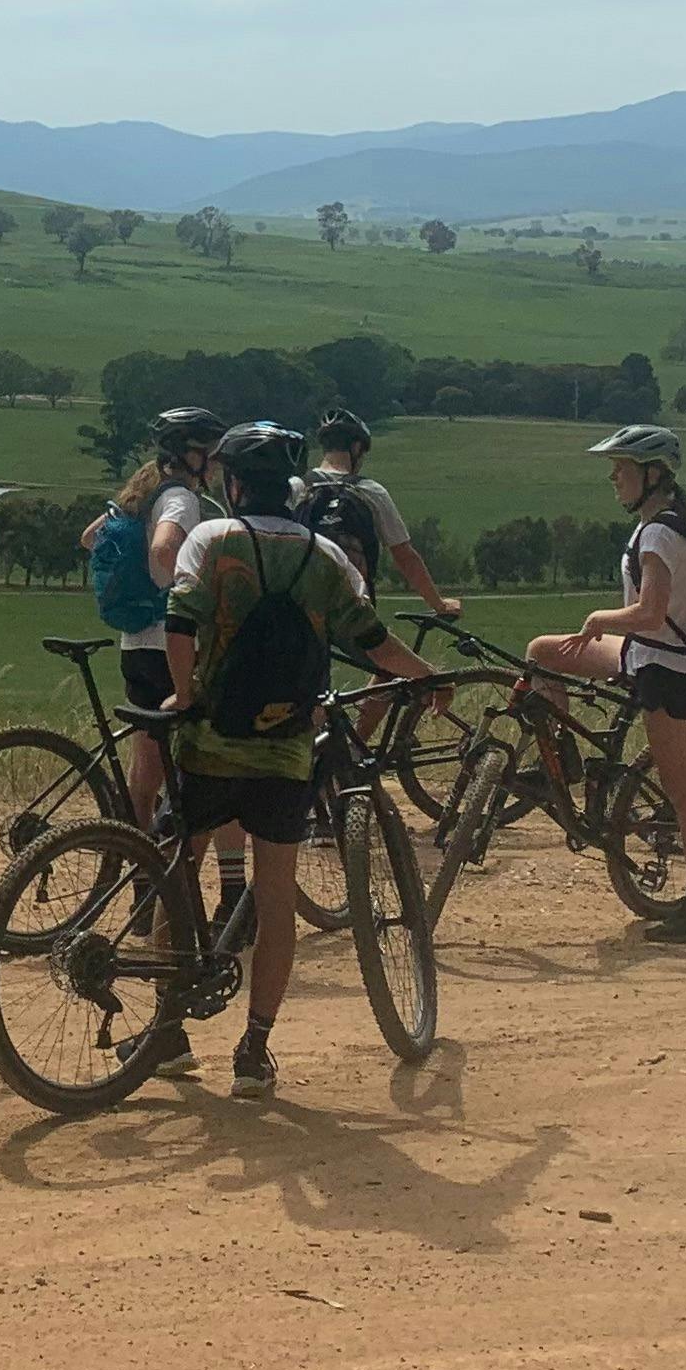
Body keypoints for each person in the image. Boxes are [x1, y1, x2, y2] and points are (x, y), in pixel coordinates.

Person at [158, 421, 405, 1094]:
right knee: (273, 901)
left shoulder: (211, 541)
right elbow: (372, 638)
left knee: (177, 875)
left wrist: (183, 694)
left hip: (207, 744)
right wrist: (423, 676)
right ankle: (253, 1049)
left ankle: (167, 1033)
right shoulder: (325, 556)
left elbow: (180, 622)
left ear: (233, 484)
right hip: (285, 752)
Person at [512, 426, 686, 946]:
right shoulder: (665, 523)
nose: (613, 478)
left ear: (652, 474)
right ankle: (560, 763)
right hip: (646, 656)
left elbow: (651, 611)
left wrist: (599, 618)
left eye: (622, 469)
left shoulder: (659, 533)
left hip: (665, 669)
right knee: (543, 653)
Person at [83, 404, 227, 888]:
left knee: (145, 774)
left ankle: (140, 878)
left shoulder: (141, 493)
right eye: (212, 455)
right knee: (193, 765)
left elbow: (89, 538)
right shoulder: (182, 502)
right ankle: (169, 883)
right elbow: (164, 550)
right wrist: (180, 591)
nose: (217, 465)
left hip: (134, 645)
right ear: (192, 455)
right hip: (171, 644)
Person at [301, 408, 462, 622]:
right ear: (356, 448)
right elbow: (405, 556)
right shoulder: (370, 491)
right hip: (353, 612)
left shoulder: (297, 487)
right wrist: (439, 604)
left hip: (302, 608)